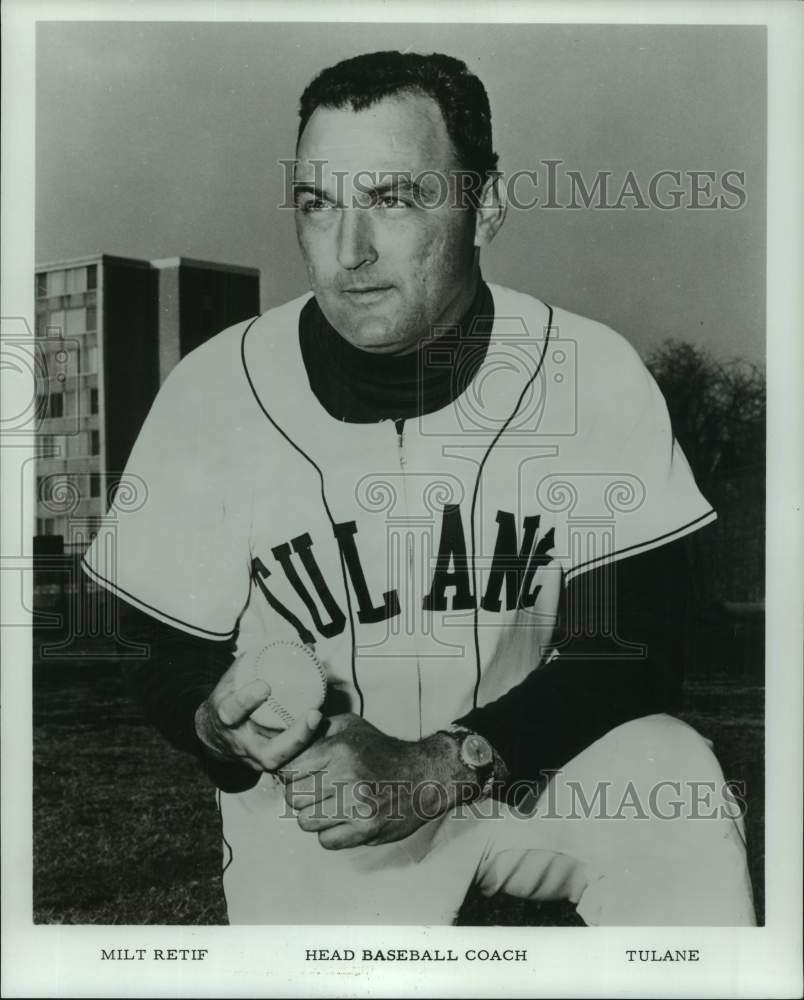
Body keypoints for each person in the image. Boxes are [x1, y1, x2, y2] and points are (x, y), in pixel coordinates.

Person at [83, 51, 756, 926]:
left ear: (488, 205)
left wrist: (446, 763)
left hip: (533, 766)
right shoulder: (216, 389)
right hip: (322, 799)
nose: (349, 251)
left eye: (394, 199)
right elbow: (151, 643)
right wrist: (214, 720)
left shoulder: (587, 369)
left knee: (674, 777)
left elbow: (638, 643)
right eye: (319, 204)